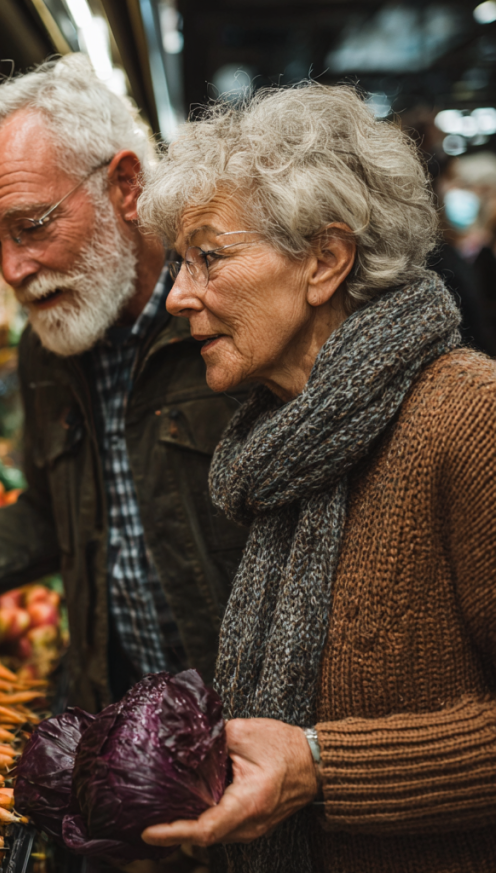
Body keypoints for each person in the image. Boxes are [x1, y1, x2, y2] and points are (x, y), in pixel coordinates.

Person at [136, 83, 496, 872]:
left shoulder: (467, 418)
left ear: (325, 259)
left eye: (209, 256)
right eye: (178, 262)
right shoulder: (279, 443)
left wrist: (319, 765)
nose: (179, 296)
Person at [0, 55, 248, 712]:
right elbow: (50, 513)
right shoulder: (47, 349)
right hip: (132, 721)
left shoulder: (234, 321)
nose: (11, 268)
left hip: (257, 731)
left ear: (125, 185)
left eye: (31, 227)